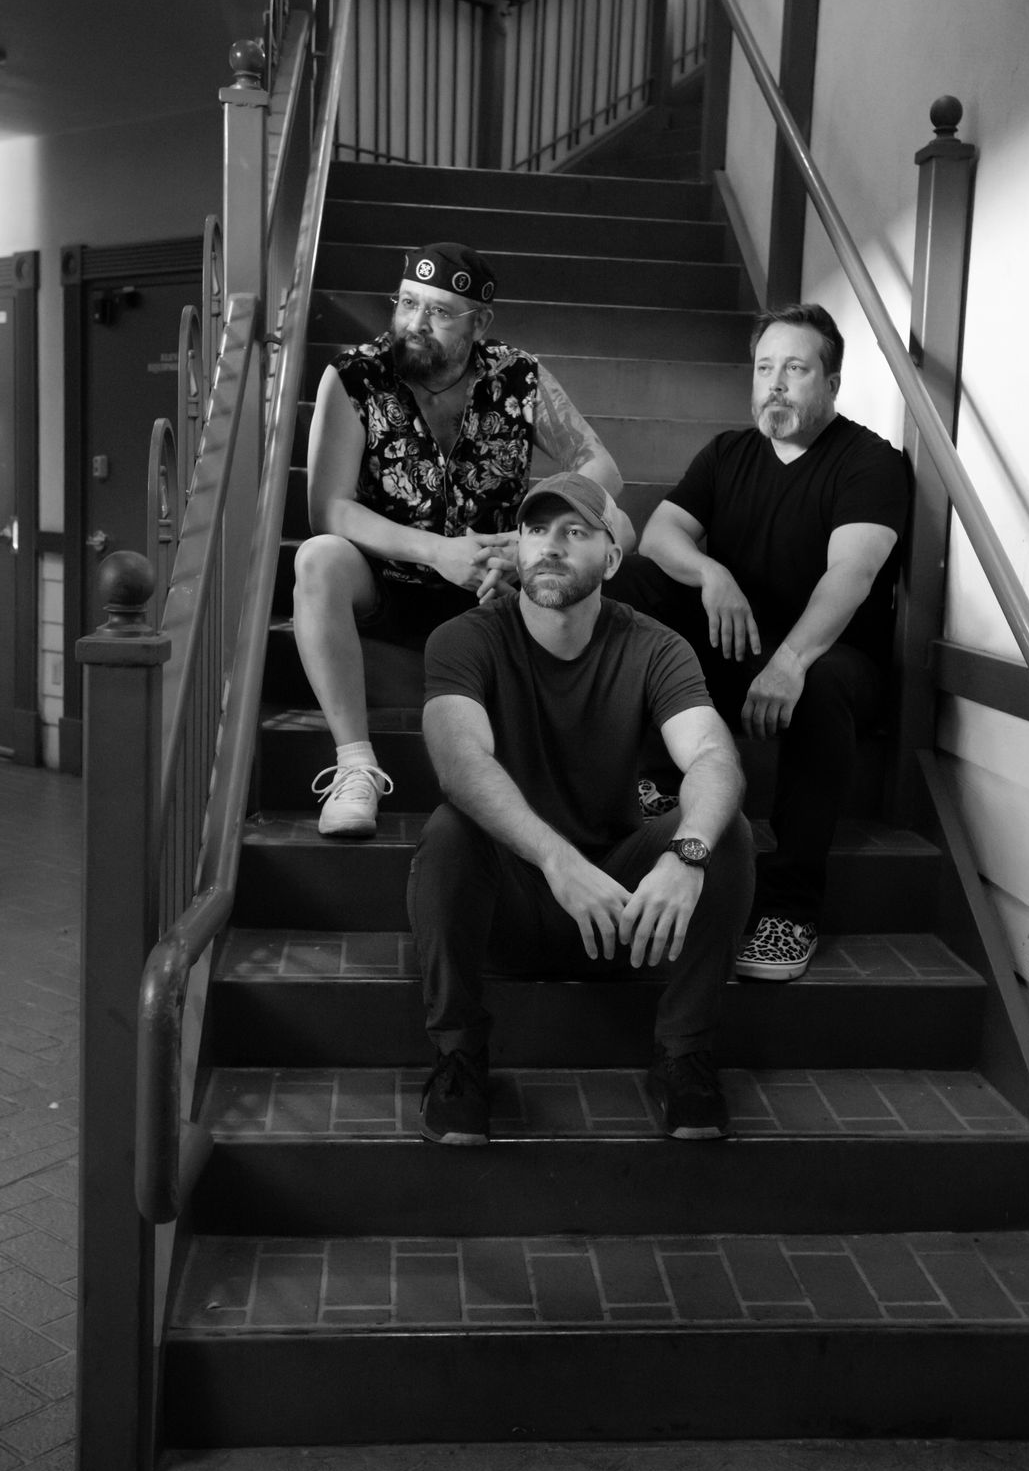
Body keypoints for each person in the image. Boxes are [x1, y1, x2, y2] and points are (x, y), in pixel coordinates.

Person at [407, 471, 754, 1146]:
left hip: (620, 909)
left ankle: (683, 1055)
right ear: (517, 547)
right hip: (511, 900)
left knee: (723, 830)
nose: (551, 546)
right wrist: (556, 860)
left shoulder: (655, 646)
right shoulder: (463, 639)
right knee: (451, 832)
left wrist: (686, 857)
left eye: (575, 531)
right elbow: (459, 763)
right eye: (536, 529)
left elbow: (713, 756)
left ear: (612, 557)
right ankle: (458, 1058)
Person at [606, 303, 910, 981]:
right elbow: (661, 534)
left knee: (823, 684)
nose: (774, 383)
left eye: (795, 369)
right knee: (632, 584)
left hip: (830, 657)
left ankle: (789, 907)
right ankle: (652, 779)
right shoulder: (728, 453)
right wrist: (711, 573)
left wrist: (791, 661)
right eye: (764, 368)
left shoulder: (870, 463)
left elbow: (851, 573)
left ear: (831, 383)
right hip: (737, 645)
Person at [293, 241, 633, 837]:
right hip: (387, 581)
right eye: (407, 304)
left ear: (480, 323)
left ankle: (593, 768)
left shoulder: (518, 375)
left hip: (494, 588)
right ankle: (355, 766)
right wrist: (436, 551)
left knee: (613, 530)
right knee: (318, 558)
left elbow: (599, 467)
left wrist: (521, 548)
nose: (415, 323)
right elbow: (329, 509)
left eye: (439, 312)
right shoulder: (354, 376)